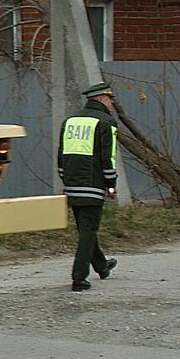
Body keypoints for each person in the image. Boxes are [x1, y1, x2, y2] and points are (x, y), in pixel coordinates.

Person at [59, 81, 121, 292]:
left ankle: (102, 266)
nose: (112, 103)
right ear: (102, 98)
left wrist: (65, 180)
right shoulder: (106, 122)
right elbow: (108, 158)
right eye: (110, 99)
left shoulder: (70, 121)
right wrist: (111, 185)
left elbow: (62, 155)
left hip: (72, 182)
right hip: (93, 183)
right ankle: (79, 276)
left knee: (85, 228)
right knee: (88, 230)